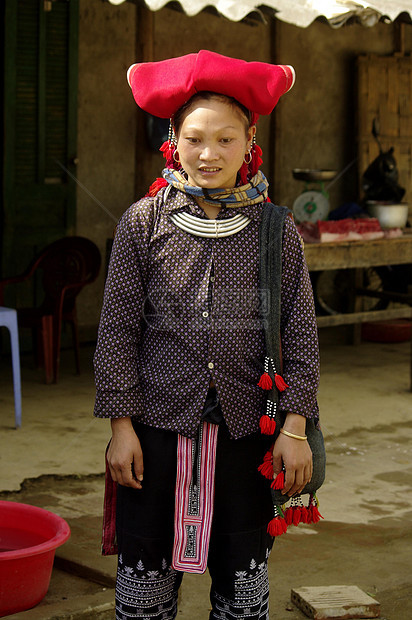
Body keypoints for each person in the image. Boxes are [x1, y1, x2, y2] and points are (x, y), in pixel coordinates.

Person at [94, 50, 320, 620]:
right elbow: (117, 330)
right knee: (145, 584)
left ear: (249, 141)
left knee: (241, 585)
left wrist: (294, 426)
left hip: (250, 432)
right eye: (195, 138)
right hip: (157, 431)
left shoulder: (276, 230)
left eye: (225, 139)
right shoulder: (142, 223)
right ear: (173, 139)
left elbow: (300, 332)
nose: (209, 153)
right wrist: (121, 427)